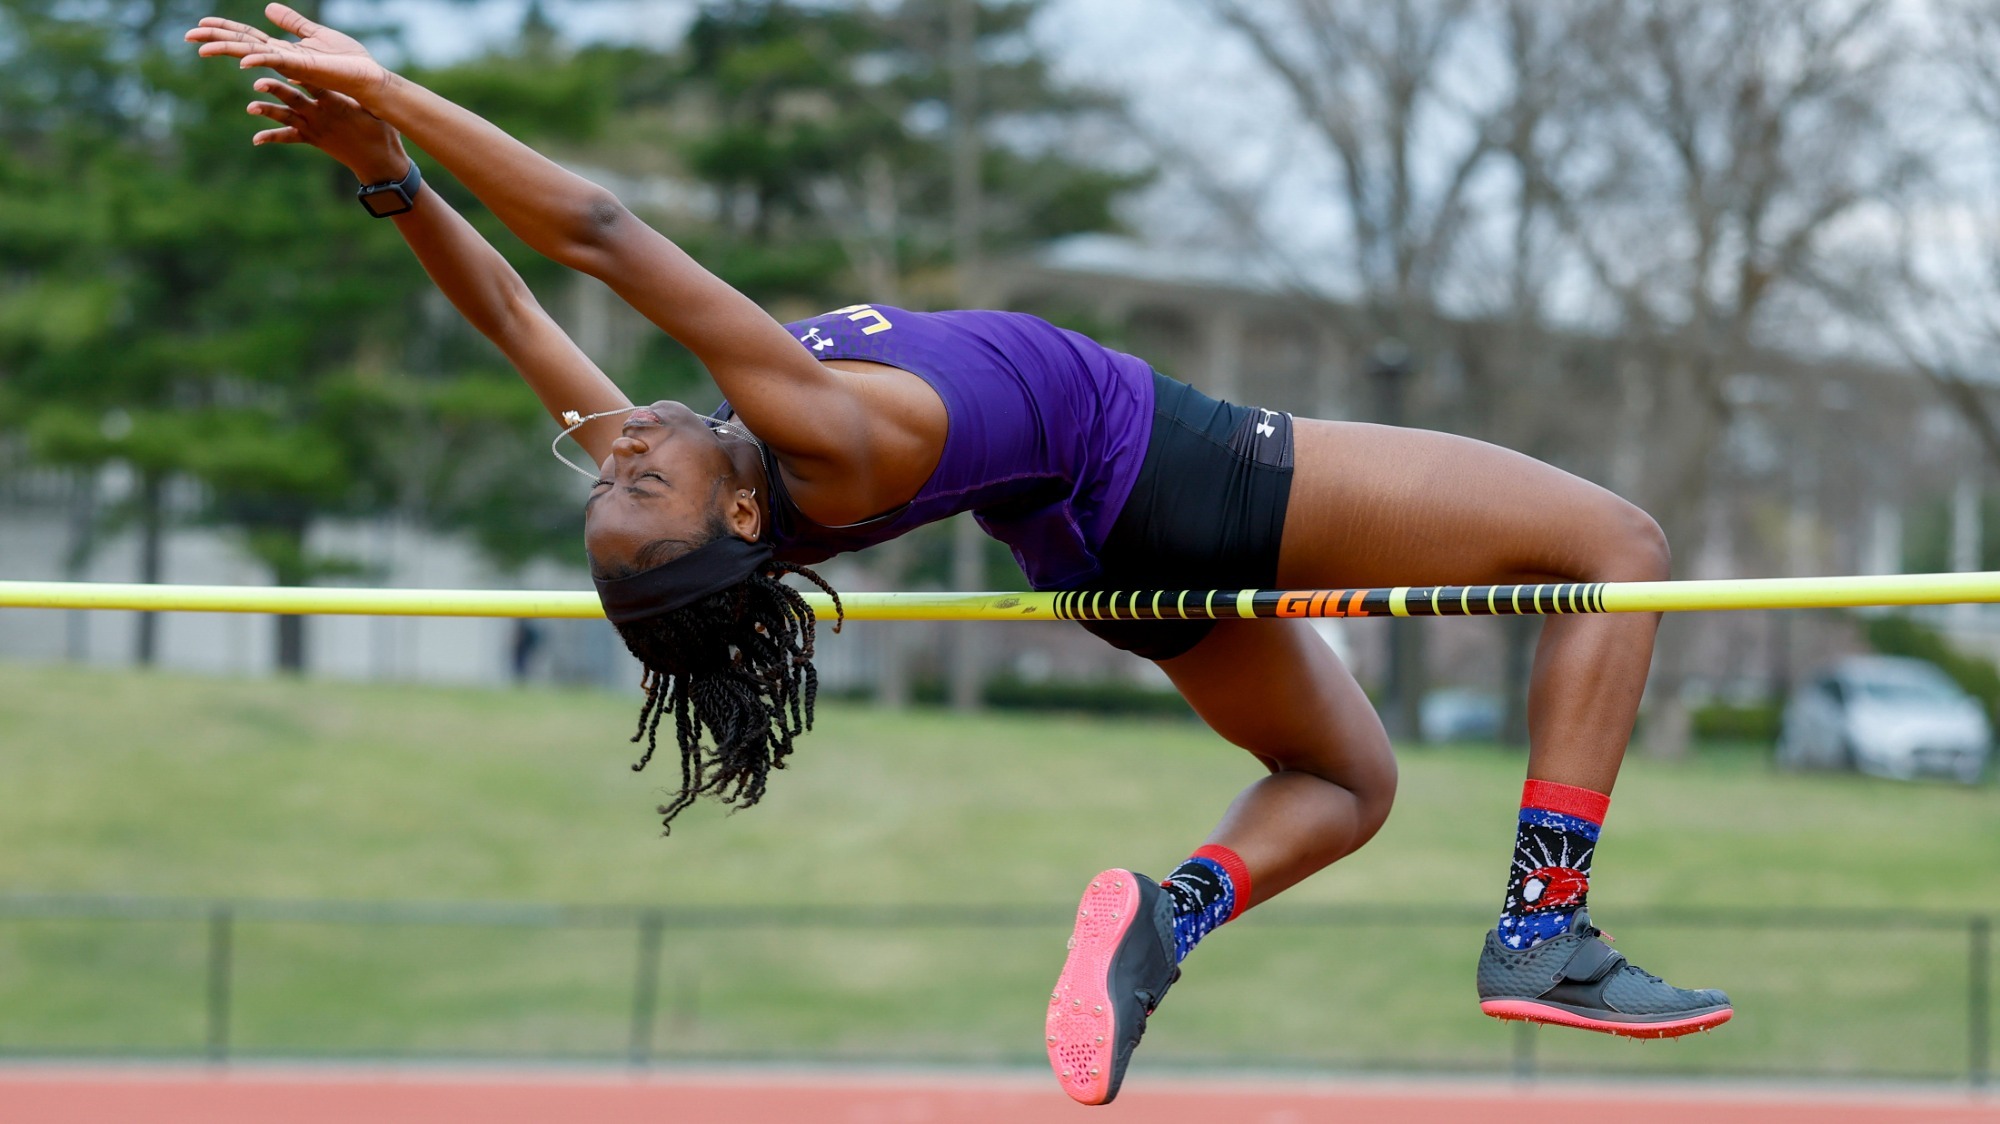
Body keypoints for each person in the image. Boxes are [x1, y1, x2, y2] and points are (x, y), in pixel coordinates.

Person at [188, 5, 1731, 1105]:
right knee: (1618, 542)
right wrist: (394, 88)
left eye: (613, 467)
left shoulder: (723, 477)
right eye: (640, 477)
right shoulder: (809, 437)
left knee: (1344, 783)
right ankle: (1543, 931)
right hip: (1180, 469)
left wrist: (388, 179)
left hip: (1097, 554)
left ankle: (1166, 921)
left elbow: (519, 311)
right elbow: (592, 233)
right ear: (737, 522)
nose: (626, 441)